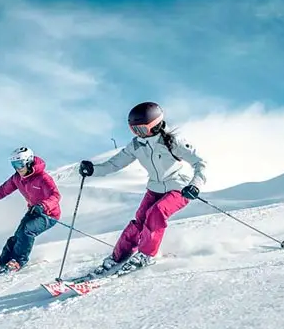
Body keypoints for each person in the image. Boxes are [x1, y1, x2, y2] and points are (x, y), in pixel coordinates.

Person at [78, 101, 207, 274]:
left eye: (141, 130)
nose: (138, 134)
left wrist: (195, 185)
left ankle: (146, 254)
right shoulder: (137, 145)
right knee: (139, 220)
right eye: (134, 130)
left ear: (155, 126)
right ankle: (118, 256)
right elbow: (114, 164)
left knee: (156, 213)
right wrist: (93, 170)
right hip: (155, 188)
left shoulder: (172, 142)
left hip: (180, 187)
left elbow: (200, 163)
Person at [0, 146, 61, 273]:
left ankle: (18, 261)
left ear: (29, 162)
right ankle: (4, 262)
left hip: (48, 214)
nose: (18, 168)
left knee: (27, 231)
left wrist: (42, 206)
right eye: (14, 165)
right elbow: (2, 191)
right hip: (32, 212)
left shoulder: (43, 178)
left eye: (20, 164)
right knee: (17, 237)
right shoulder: (17, 178)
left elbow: (55, 196)